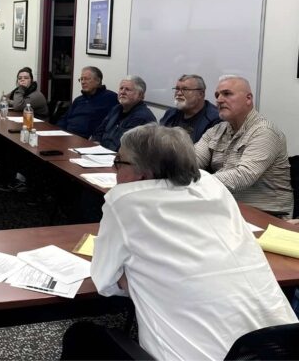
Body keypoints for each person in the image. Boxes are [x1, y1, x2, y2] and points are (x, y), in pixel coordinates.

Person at [66, 124, 297, 360]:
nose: (115, 169)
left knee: (81, 335)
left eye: (119, 161)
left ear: (142, 173)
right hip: (282, 348)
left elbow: (105, 282)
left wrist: (140, 276)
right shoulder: (212, 185)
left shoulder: (125, 201)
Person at [195, 75, 293, 217]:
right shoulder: (217, 130)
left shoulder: (265, 132)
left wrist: (195, 180)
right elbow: (192, 159)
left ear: (248, 99)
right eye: (217, 95)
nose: (219, 100)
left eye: (227, 94)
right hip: (229, 206)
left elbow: (243, 176)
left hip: (268, 214)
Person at [91, 75, 155, 151]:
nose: (122, 92)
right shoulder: (116, 109)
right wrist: (95, 144)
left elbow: (125, 147)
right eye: (121, 88)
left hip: (119, 158)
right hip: (101, 154)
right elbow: (99, 131)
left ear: (140, 95)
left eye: (127, 89)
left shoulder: (142, 117)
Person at [57, 66, 117, 138]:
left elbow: (113, 124)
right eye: (81, 79)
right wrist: (58, 132)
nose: (82, 82)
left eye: (86, 79)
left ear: (98, 81)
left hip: (88, 139)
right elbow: (64, 119)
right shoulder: (78, 100)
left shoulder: (110, 98)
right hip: (68, 136)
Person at [160, 74, 220, 142]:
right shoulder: (170, 113)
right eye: (177, 89)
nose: (179, 93)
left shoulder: (215, 120)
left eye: (185, 89)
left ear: (201, 94)